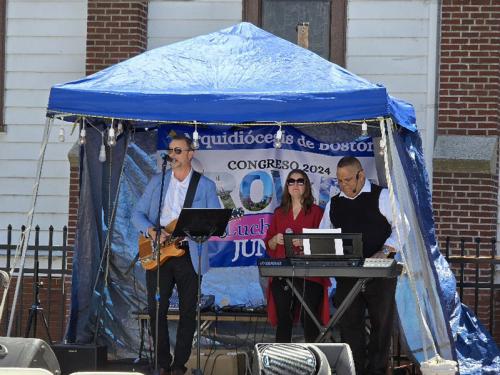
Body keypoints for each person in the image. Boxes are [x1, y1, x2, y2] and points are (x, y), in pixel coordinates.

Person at [132, 135, 220, 375]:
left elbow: (217, 222)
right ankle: (161, 363)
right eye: (171, 151)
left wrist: (200, 230)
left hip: (189, 253)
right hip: (158, 252)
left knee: (188, 311)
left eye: (178, 151)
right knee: (155, 309)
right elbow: (137, 214)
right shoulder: (157, 182)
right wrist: (151, 231)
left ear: (191, 154)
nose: (173, 155)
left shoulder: (205, 186)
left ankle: (179, 365)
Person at [319, 156, 404, 375]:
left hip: (380, 273)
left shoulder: (382, 196)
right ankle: (353, 370)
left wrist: (386, 250)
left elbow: (402, 227)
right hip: (347, 274)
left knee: (381, 324)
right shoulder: (334, 203)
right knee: (350, 325)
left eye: (348, 179)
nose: (343, 185)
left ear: (361, 176)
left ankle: (376, 371)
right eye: (339, 180)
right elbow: (324, 236)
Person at [265, 169, 331, 343]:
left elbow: (327, 244)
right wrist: (274, 239)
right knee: (283, 318)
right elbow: (269, 245)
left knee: (309, 319)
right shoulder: (279, 213)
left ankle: (315, 362)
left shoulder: (317, 212)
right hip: (283, 272)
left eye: (300, 181)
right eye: (291, 181)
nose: (295, 185)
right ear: (286, 186)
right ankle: (281, 364)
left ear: (306, 186)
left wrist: (306, 243)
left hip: (310, 273)